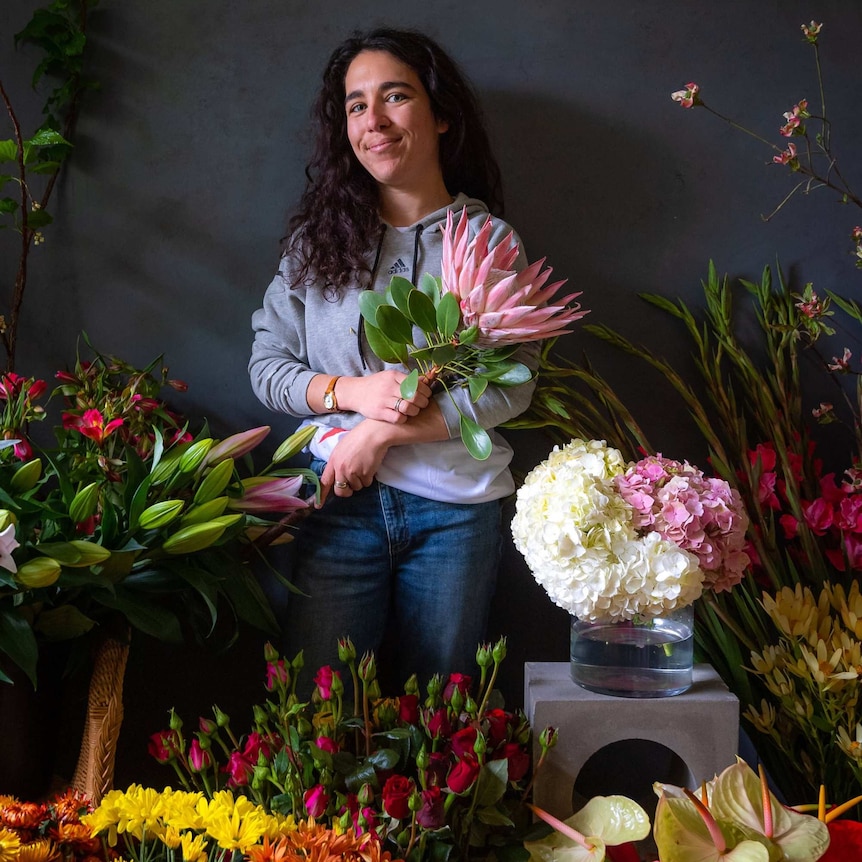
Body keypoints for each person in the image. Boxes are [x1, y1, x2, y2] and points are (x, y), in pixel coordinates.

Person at [248, 27, 537, 685]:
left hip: (455, 518)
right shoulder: (314, 245)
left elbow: (510, 385)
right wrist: (353, 396)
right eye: (355, 105)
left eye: (394, 96)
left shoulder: (487, 243)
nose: (372, 121)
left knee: (440, 729)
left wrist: (379, 434)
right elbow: (266, 365)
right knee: (317, 716)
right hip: (333, 507)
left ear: (439, 116)